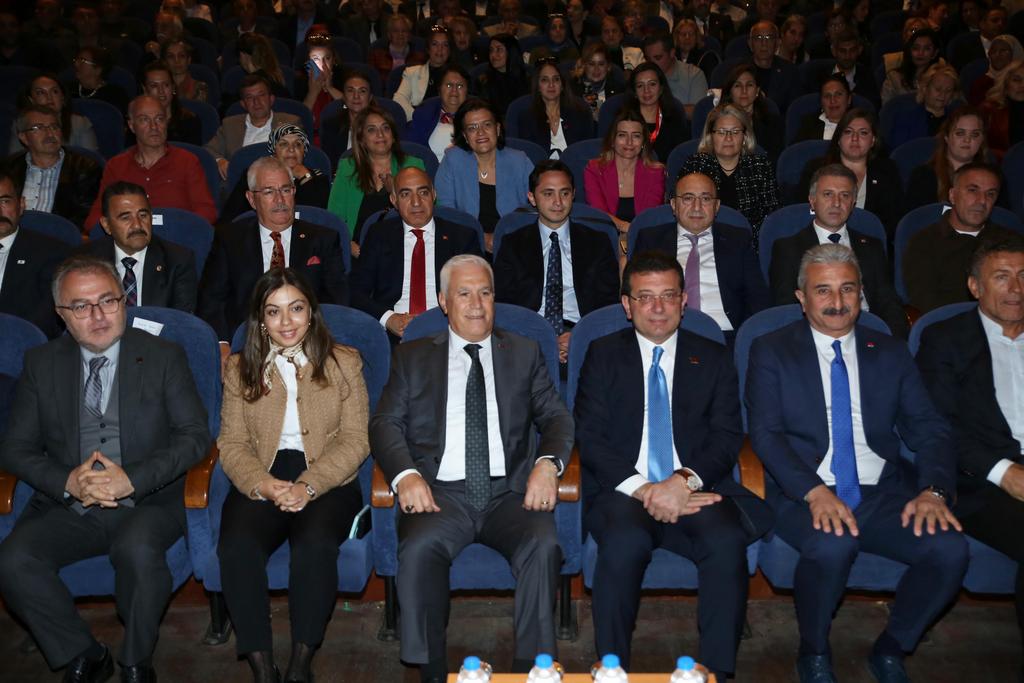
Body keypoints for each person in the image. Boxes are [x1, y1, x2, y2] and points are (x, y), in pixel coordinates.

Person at [746, 242, 969, 683]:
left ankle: (892, 647)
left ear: (861, 293)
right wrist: (814, 493)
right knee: (833, 543)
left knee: (949, 549)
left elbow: (930, 428)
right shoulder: (771, 350)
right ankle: (813, 651)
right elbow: (766, 435)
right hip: (804, 490)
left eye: (847, 289)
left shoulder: (889, 351)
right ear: (801, 297)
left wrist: (934, 490)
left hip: (881, 490)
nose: (837, 301)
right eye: (823, 290)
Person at [0, 254, 210, 683]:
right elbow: (15, 449)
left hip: (148, 500)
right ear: (61, 314)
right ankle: (85, 652)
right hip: (69, 506)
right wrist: (67, 481)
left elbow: (194, 437)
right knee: (13, 560)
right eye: (81, 306)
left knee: (138, 551)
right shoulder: (41, 363)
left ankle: (135, 661)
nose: (97, 316)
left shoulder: (163, 356)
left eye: (108, 301)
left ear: (124, 302)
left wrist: (132, 479)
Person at [370, 253, 574, 683]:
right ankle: (431, 670)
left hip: (510, 493)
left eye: (485, 292)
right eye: (464, 294)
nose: (477, 304)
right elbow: (384, 423)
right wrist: (406, 475)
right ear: (444, 302)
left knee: (543, 544)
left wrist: (547, 464)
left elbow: (556, 418)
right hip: (440, 494)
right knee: (419, 549)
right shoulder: (413, 357)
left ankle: (530, 671)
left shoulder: (523, 352)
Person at [575, 250, 772, 680]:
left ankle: (715, 670)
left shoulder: (713, 356)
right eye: (645, 297)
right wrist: (648, 489)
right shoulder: (602, 354)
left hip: (695, 487)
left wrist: (682, 481)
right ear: (626, 305)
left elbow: (727, 435)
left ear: (684, 300)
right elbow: (589, 437)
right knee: (623, 542)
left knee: (726, 540)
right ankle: (612, 668)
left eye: (668, 295)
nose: (658, 307)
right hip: (625, 490)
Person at [217, 267, 368, 683]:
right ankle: (262, 668)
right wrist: (261, 484)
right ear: (260, 319)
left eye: (296, 308)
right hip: (263, 471)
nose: (286, 322)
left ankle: (301, 664)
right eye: (274, 311)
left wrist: (309, 484)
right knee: (237, 547)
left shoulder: (344, 362)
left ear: (311, 312)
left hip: (328, 474)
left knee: (314, 545)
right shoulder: (239, 369)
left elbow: (356, 439)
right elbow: (232, 443)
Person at [916, 236, 1024, 661]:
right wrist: (1004, 473)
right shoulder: (945, 339)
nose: (1016, 288)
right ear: (975, 286)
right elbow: (938, 426)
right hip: (982, 482)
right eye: (1002, 277)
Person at [198, 156, 349, 342]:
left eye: (285, 190)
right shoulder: (229, 240)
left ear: (294, 192)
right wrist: (222, 344)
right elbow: (211, 301)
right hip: (247, 340)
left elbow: (336, 301)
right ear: (252, 199)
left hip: (307, 338)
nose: (280, 199)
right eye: (269, 192)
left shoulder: (323, 239)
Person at [494, 159, 619, 362]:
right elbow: (505, 305)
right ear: (532, 197)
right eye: (548, 193)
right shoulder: (513, 244)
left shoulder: (597, 242)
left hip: (583, 333)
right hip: (528, 337)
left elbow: (608, 304)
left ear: (573, 194)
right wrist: (543, 338)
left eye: (565, 193)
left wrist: (579, 335)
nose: (558, 202)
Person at [769, 164, 908, 338]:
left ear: (853, 203)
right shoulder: (788, 248)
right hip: (817, 335)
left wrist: (895, 341)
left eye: (845, 195)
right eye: (828, 194)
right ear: (812, 200)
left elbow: (888, 302)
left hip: (869, 334)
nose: (836, 203)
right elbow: (787, 309)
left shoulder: (872, 246)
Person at [633, 172, 769, 343]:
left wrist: (746, 340)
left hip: (726, 336)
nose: (696, 207)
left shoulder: (738, 240)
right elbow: (636, 294)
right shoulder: (651, 240)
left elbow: (758, 298)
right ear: (674, 205)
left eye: (705, 199)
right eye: (688, 198)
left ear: (716, 206)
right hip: (667, 335)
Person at [351, 166, 482, 340]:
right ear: (394, 200)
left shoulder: (462, 237)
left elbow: (477, 293)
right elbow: (356, 291)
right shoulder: (379, 235)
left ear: (434, 195)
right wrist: (389, 318)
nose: (416, 202)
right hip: (393, 333)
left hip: (447, 330)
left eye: (423, 193)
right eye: (406, 194)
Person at [84, 95, 217, 230]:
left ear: (167, 122)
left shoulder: (187, 161)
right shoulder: (116, 166)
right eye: (144, 120)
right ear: (131, 126)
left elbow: (207, 212)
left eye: (159, 119)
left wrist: (180, 231)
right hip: (129, 238)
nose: (154, 126)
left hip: (176, 237)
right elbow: (95, 217)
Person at [903, 162, 1017, 314]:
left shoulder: (1010, 242)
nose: (982, 201)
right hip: (949, 323)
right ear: (952, 195)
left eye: (990, 194)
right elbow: (924, 302)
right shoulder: (924, 242)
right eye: (972, 191)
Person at [78, 181, 198, 312]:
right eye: (125, 218)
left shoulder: (177, 261)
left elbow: (180, 319)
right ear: (106, 225)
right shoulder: (85, 260)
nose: (137, 225)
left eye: (143, 215)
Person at [435, 98, 533, 251]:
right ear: (465, 136)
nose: (480, 132)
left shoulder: (519, 161)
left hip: (514, 242)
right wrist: (481, 237)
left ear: (498, 129)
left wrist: (502, 237)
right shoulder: (452, 160)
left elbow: (533, 208)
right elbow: (447, 213)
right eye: (472, 128)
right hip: (466, 243)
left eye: (487, 125)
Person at [328, 105, 426, 255]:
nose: (380, 135)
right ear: (362, 139)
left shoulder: (413, 166)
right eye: (371, 130)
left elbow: (426, 213)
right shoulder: (348, 168)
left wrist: (396, 190)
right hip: (359, 251)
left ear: (393, 136)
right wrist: (347, 243)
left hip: (403, 249)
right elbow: (334, 217)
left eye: (385, 128)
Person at [798, 108, 904, 245]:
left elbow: (893, 221)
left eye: (863, 133)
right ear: (838, 139)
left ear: (873, 140)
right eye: (848, 132)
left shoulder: (887, 172)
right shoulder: (817, 169)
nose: (855, 138)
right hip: (821, 243)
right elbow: (803, 213)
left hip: (870, 245)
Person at [679, 103, 780, 240]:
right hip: (702, 241)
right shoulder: (696, 165)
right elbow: (681, 209)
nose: (728, 138)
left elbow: (771, 217)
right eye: (721, 132)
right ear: (711, 136)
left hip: (748, 242)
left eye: (735, 132)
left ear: (745, 136)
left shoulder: (760, 166)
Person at [0, 170, 72, 337]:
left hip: (20, 342)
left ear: (21, 205)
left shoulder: (51, 253)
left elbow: (46, 318)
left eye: (5, 201)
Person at [7, 103, 101, 229]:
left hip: (60, 236)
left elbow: (84, 218)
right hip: (15, 235)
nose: (50, 134)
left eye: (54, 127)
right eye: (39, 127)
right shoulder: (9, 168)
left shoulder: (85, 169)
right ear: (23, 137)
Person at [584, 108, 666, 244]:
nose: (629, 142)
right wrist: (625, 228)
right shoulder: (594, 170)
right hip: (603, 239)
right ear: (612, 140)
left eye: (636, 136)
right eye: (622, 135)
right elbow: (598, 214)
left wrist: (631, 234)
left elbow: (649, 217)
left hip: (643, 239)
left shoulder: (656, 173)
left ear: (643, 142)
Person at [222, 123, 331, 223]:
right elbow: (231, 217)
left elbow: (320, 218)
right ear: (274, 151)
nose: (291, 149)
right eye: (284, 144)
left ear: (304, 151)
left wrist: (306, 178)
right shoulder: (255, 174)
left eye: (298, 145)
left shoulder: (318, 178)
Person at [206, 74, 302, 180]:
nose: (256, 102)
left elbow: (297, 156)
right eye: (249, 98)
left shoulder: (290, 122)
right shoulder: (230, 125)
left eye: (261, 95)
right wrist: (220, 161)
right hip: (240, 181)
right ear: (243, 104)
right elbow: (209, 150)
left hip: (277, 180)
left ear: (271, 99)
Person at [905, 105, 990, 210]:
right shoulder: (924, 176)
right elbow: (918, 217)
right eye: (960, 133)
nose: (967, 140)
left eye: (975, 134)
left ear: (982, 140)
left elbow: (1001, 217)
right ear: (946, 137)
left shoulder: (993, 178)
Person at [515, 58, 594, 159]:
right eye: (545, 80)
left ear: (562, 85)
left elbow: (587, 153)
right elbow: (529, 156)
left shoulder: (580, 114)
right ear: (538, 86)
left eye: (556, 79)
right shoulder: (526, 118)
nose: (551, 85)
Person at [8, 74, 97, 155]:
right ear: (31, 100)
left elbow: (91, 160)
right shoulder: (21, 124)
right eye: (40, 93)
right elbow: (14, 161)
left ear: (62, 97)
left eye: (54, 91)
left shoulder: (80, 123)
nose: (49, 97)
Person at [623, 62, 688, 164]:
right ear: (634, 92)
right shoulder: (624, 121)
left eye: (652, 84)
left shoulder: (675, 119)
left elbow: (681, 159)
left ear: (661, 88)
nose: (646, 90)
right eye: (640, 86)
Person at [718, 62, 784, 162]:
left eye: (749, 85)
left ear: (757, 91)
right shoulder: (718, 122)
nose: (744, 90)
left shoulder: (773, 123)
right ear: (730, 92)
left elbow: (775, 161)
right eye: (737, 85)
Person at [802, 28, 880, 110]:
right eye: (842, 51)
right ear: (834, 51)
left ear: (859, 50)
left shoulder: (867, 77)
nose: (847, 56)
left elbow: (873, 108)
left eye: (852, 50)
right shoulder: (818, 76)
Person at [405, 64, 470, 162]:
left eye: (460, 86)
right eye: (449, 85)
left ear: (467, 91)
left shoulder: (476, 116)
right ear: (439, 90)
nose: (454, 91)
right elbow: (413, 149)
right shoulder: (424, 112)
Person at [886, 62, 959, 150]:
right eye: (938, 89)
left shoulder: (957, 118)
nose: (942, 95)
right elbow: (898, 152)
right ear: (925, 88)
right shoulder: (905, 118)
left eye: (948, 91)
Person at [137, 60, 202, 146]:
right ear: (145, 89)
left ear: (173, 88)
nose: (161, 91)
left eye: (166, 85)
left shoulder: (189, 121)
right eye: (154, 86)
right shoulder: (138, 123)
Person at [393, 25, 452, 120]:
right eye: (435, 44)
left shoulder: (457, 76)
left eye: (445, 45)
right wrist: (419, 117)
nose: (440, 49)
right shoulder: (412, 72)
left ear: (449, 50)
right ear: (428, 49)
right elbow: (399, 99)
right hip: (418, 121)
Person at [642, 33, 707, 116]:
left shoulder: (693, 75)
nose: (652, 63)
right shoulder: (641, 76)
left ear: (672, 53)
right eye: (648, 59)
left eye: (658, 58)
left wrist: (661, 110)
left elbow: (699, 112)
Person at [298, 30, 345, 146]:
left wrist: (330, 88)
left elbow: (350, 108)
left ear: (334, 60)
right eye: (316, 59)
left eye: (327, 58)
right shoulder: (300, 81)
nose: (322, 64)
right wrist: (313, 93)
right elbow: (298, 120)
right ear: (308, 62)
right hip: (308, 141)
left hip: (339, 138)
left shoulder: (343, 78)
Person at [319, 71, 374, 169]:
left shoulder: (380, 127)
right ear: (344, 97)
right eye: (350, 91)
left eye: (362, 91)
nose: (356, 96)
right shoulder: (331, 126)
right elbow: (329, 166)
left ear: (370, 98)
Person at [746, 20, 800, 112]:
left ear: (777, 43)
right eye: (758, 38)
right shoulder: (739, 71)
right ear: (750, 43)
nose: (764, 43)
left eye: (769, 38)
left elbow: (794, 110)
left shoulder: (790, 72)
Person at [474, 34, 529, 122]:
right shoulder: (483, 80)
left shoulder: (528, 78)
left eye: (499, 50)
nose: (493, 55)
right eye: (491, 50)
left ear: (511, 52)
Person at [881, 27, 943, 104]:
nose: (920, 53)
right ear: (909, 51)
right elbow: (887, 107)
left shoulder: (942, 78)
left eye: (927, 49)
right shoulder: (894, 78)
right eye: (916, 48)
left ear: (935, 53)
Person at [980, 59, 1024, 160]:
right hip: (1001, 163)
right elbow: (980, 145)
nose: (1023, 85)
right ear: (1005, 84)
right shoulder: (988, 109)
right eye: (1016, 80)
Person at [570, 43, 625, 122]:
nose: (596, 69)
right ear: (584, 66)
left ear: (608, 67)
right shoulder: (572, 90)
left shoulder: (619, 91)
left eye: (601, 64)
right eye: (591, 64)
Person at [70, 46, 129, 115]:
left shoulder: (115, 95)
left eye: (82, 61)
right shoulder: (68, 89)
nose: (76, 64)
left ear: (98, 69)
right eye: (76, 60)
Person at [793, 75, 852, 143]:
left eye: (838, 94)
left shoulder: (859, 124)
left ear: (849, 99)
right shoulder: (808, 124)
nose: (833, 100)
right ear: (821, 101)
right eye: (827, 96)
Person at [967, 35, 1023, 105]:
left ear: (1014, 53)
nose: (997, 54)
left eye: (1003, 50)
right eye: (993, 51)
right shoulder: (981, 84)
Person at [949, 5, 1009, 71]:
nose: (1000, 24)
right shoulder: (963, 45)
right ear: (982, 24)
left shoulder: (1010, 43)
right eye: (995, 20)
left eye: (1004, 21)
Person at [369, 13, 426, 81]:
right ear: (389, 34)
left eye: (404, 31)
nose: (400, 34)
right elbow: (373, 80)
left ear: (409, 34)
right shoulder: (376, 55)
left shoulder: (420, 55)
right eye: (396, 31)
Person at [162, 38, 209, 103]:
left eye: (181, 56)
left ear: (189, 60)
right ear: (165, 61)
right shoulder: (161, 87)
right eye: (171, 56)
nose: (177, 61)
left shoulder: (199, 87)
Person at [673, 17, 720, 82]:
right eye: (683, 34)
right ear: (677, 37)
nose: (687, 38)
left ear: (697, 37)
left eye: (691, 34)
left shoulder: (707, 58)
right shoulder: (671, 57)